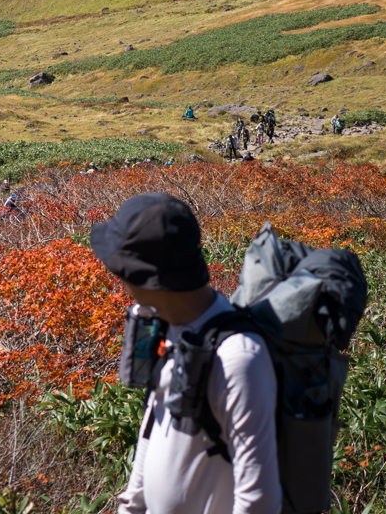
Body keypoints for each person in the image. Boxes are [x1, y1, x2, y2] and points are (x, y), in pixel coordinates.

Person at [91, 193, 280, 514]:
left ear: (145, 276)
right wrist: (131, 506)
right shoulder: (168, 326)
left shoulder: (238, 359)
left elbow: (259, 501)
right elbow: (154, 426)